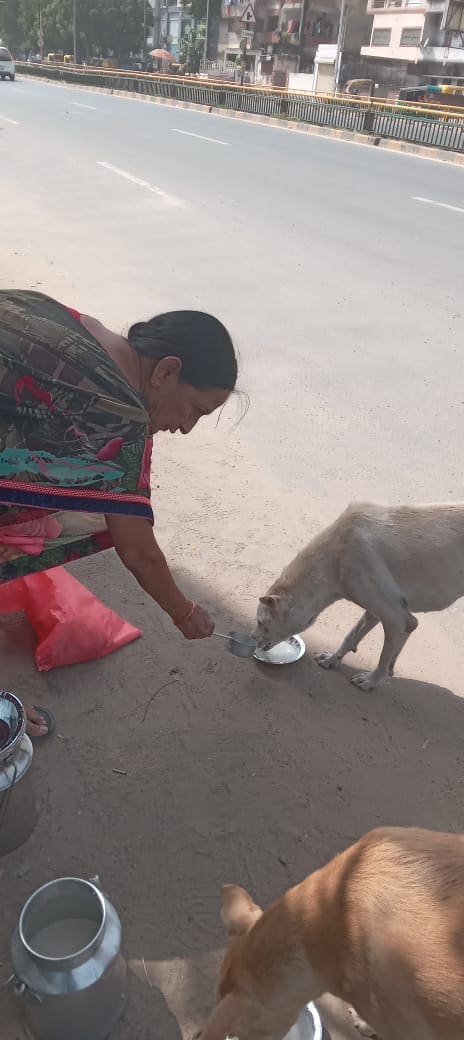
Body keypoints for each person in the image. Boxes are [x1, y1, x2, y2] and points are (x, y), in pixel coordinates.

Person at [0, 290, 238, 738]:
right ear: (166, 371)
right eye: (195, 409)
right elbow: (139, 552)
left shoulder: (78, 324)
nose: (186, 427)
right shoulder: (121, 417)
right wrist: (185, 613)